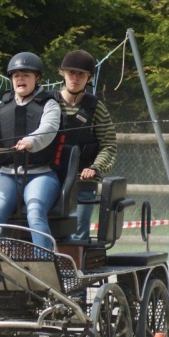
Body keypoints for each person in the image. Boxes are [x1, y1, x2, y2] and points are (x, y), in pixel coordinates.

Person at [0, 52, 61, 250]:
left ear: (37, 78)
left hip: (41, 175)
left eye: (26, 74)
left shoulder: (50, 104)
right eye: (16, 75)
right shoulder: (1, 106)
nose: (20, 78)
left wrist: (29, 141)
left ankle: (44, 262)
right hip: (6, 175)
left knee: (35, 211)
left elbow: (48, 130)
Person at [53, 49, 117, 240]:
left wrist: (95, 168)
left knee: (78, 234)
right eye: (71, 72)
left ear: (88, 78)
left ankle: (76, 267)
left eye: (81, 74)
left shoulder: (95, 107)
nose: (75, 77)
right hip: (50, 179)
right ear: (63, 73)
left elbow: (109, 144)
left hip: (83, 182)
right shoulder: (48, 103)